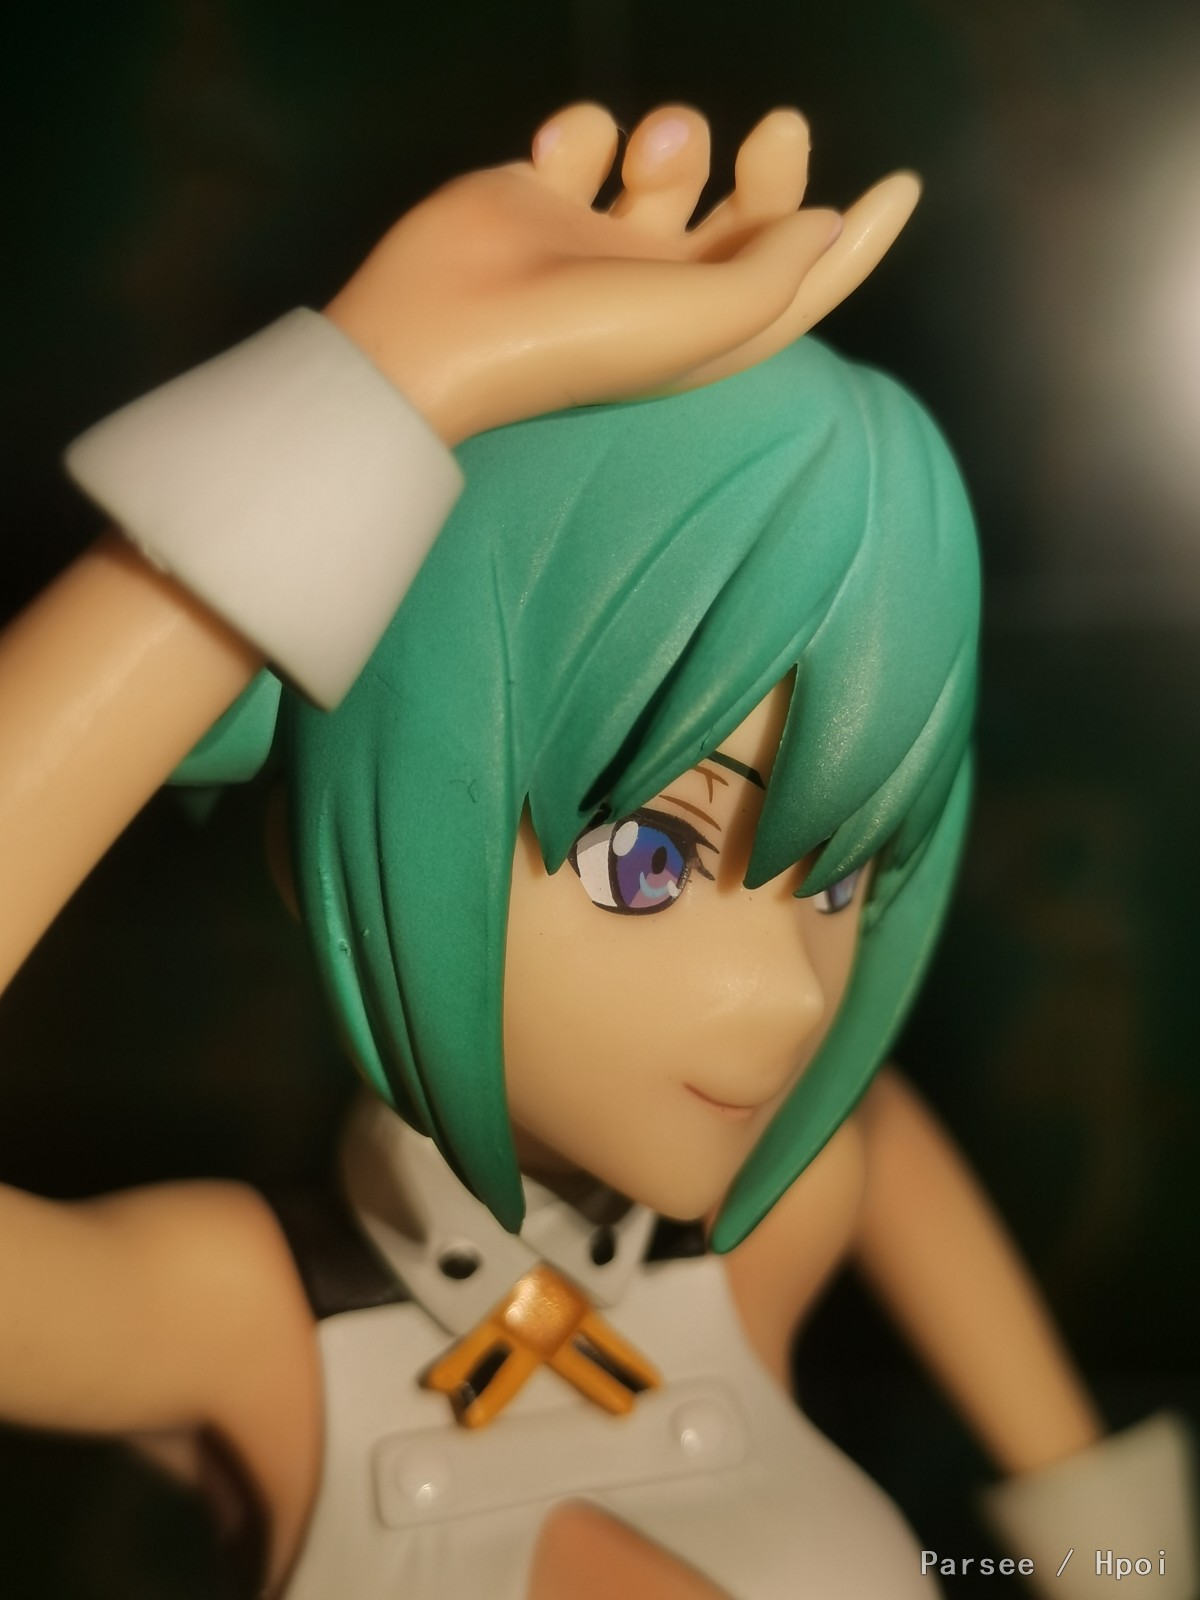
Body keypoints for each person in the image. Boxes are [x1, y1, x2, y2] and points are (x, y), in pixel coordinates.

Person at [0, 105, 1192, 1599]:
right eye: (645, 861)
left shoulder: (750, 1245)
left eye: (835, 875)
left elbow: (876, 1141)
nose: (790, 997)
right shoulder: (243, 1330)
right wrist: (386, 387)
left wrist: (1117, 1553)